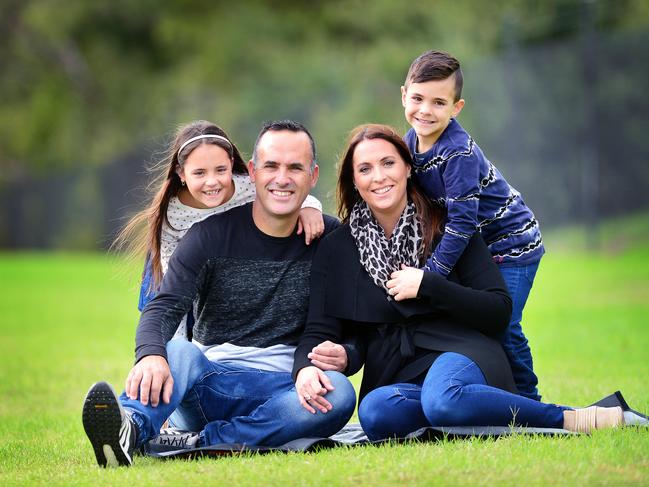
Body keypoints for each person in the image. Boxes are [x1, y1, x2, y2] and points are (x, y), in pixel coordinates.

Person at [292, 124, 624, 441]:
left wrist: (429, 285)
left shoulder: (449, 227)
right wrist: (340, 357)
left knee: (443, 398)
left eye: (388, 163)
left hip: (462, 352)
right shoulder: (338, 246)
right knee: (377, 414)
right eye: (365, 169)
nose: (378, 177)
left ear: (408, 168)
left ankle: (568, 417)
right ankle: (467, 410)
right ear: (354, 180)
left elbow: (497, 310)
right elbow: (323, 330)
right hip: (398, 371)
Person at [82, 120, 356, 468]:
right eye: (271, 166)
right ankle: (130, 430)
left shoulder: (328, 238)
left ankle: (205, 442)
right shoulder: (207, 236)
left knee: (340, 391)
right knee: (177, 351)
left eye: (295, 168)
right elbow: (163, 307)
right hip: (211, 383)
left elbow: (352, 328)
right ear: (253, 172)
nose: (282, 178)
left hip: (288, 389)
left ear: (313, 175)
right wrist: (150, 354)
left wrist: (344, 354)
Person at [400, 50, 544, 401]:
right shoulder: (408, 143)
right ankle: (491, 391)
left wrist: (432, 276)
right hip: (477, 249)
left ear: (456, 108)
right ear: (404, 95)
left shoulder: (458, 153)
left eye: (438, 102)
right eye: (418, 98)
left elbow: (462, 224)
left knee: (504, 324)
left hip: (512, 245)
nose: (425, 110)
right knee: (469, 323)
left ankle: (528, 398)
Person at [112, 120, 325, 339]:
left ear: (232, 165)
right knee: (158, 298)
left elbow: (283, 191)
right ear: (181, 173)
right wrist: (174, 349)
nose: (212, 182)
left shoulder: (246, 186)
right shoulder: (172, 215)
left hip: (222, 268)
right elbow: (172, 290)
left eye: (221, 170)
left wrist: (311, 207)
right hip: (184, 272)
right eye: (199, 173)